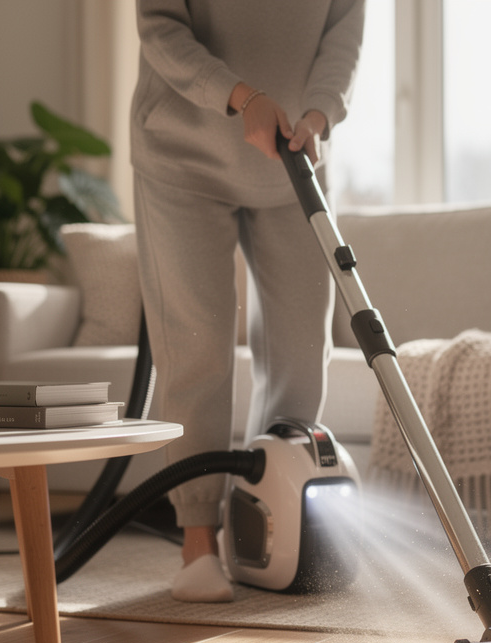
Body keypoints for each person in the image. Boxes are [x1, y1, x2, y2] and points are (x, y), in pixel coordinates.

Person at [131, 0, 365, 601]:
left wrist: (320, 113)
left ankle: (268, 525)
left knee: (301, 348)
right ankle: (198, 543)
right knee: (197, 347)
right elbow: (159, 27)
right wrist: (239, 95)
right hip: (181, 155)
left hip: (294, 157)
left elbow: (343, 32)